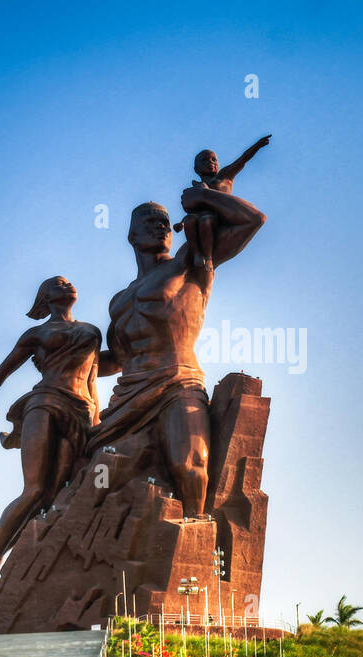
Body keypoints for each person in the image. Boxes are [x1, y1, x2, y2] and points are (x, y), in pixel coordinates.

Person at [88, 184, 265, 518]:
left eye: (166, 223)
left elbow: (252, 220)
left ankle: (194, 536)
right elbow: (117, 358)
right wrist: (68, 365)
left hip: (177, 382)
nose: (161, 227)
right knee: (91, 476)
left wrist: (206, 197)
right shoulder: (119, 300)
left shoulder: (190, 262)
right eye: (150, 221)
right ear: (131, 235)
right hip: (127, 396)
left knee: (189, 463)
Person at [0, 276, 101, 594]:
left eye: (69, 282)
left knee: (52, 498)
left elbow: (93, 381)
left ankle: (19, 565)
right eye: (58, 284)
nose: (68, 286)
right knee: (34, 490)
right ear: (45, 298)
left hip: (80, 413)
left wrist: (96, 423)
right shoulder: (37, 334)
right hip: (44, 403)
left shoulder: (91, 332)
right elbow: (0, 373)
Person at [174, 135, 271, 270]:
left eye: (214, 159)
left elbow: (242, 160)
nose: (211, 162)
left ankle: (208, 257)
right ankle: (197, 254)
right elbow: (193, 210)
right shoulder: (196, 187)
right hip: (198, 217)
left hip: (219, 217)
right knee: (191, 220)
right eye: (205, 160)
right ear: (196, 169)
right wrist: (182, 224)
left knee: (206, 221)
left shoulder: (224, 177)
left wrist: (257, 146)